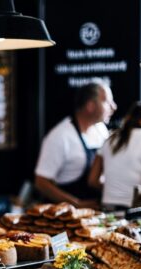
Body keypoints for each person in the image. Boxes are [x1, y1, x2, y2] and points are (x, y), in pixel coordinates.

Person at [34, 80, 117, 208]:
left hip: (97, 212)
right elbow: (41, 182)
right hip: (68, 216)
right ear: (90, 105)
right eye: (107, 102)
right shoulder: (60, 136)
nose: (114, 107)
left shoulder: (101, 129)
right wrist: (77, 204)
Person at [88, 98, 141, 209]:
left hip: (107, 209)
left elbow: (92, 181)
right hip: (134, 212)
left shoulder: (110, 139)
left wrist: (113, 191)